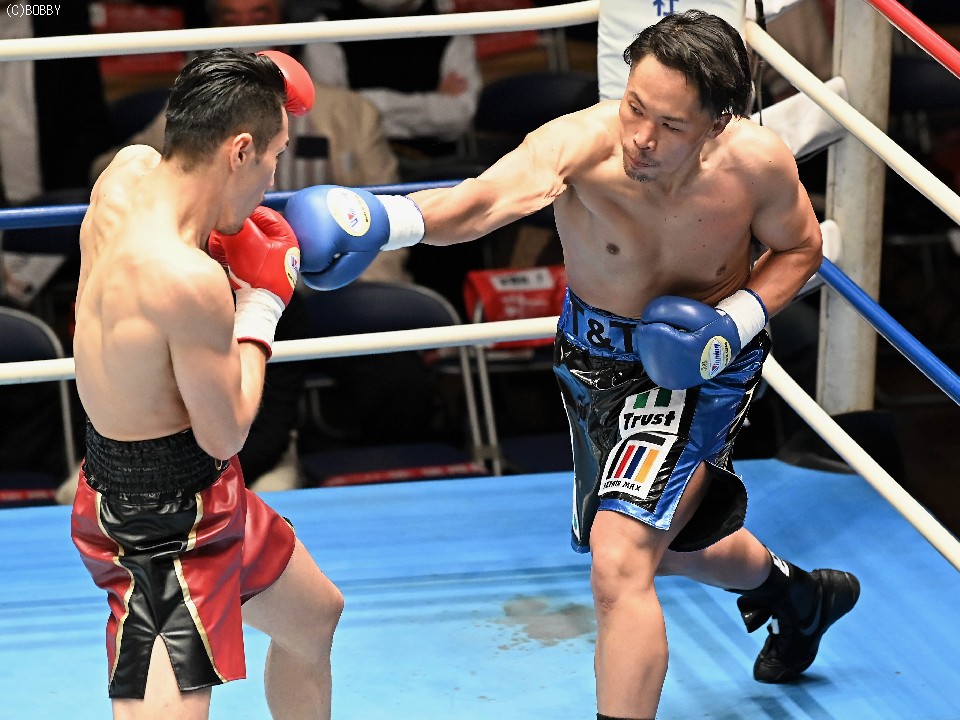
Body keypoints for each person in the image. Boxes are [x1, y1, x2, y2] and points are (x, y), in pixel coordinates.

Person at [283, 11, 860, 718]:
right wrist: (387, 221)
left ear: (718, 123)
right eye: (635, 107)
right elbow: (482, 203)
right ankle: (796, 595)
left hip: (694, 369)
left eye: (670, 125)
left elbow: (800, 249)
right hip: (591, 359)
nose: (641, 138)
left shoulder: (756, 164)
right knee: (663, 546)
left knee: (620, 558)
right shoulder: (581, 144)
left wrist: (731, 324)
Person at [69, 48, 343, 718]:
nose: (272, 181)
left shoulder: (125, 175)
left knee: (314, 616)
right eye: (275, 157)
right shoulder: (188, 280)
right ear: (240, 150)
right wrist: (263, 304)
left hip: (188, 489)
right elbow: (226, 432)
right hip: (164, 527)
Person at [303, 0, 482, 159]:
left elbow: (460, 117)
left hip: (438, 167)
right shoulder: (326, 27)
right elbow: (333, 118)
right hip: (356, 169)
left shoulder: (450, 28)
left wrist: (360, 107)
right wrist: (434, 104)